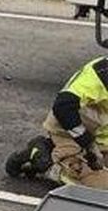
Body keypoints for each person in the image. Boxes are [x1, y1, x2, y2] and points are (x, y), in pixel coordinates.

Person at [7, 57, 108, 188]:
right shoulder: (101, 73)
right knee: (91, 185)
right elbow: (64, 106)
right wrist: (85, 140)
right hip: (70, 129)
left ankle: (55, 149)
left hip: (102, 136)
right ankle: (41, 156)